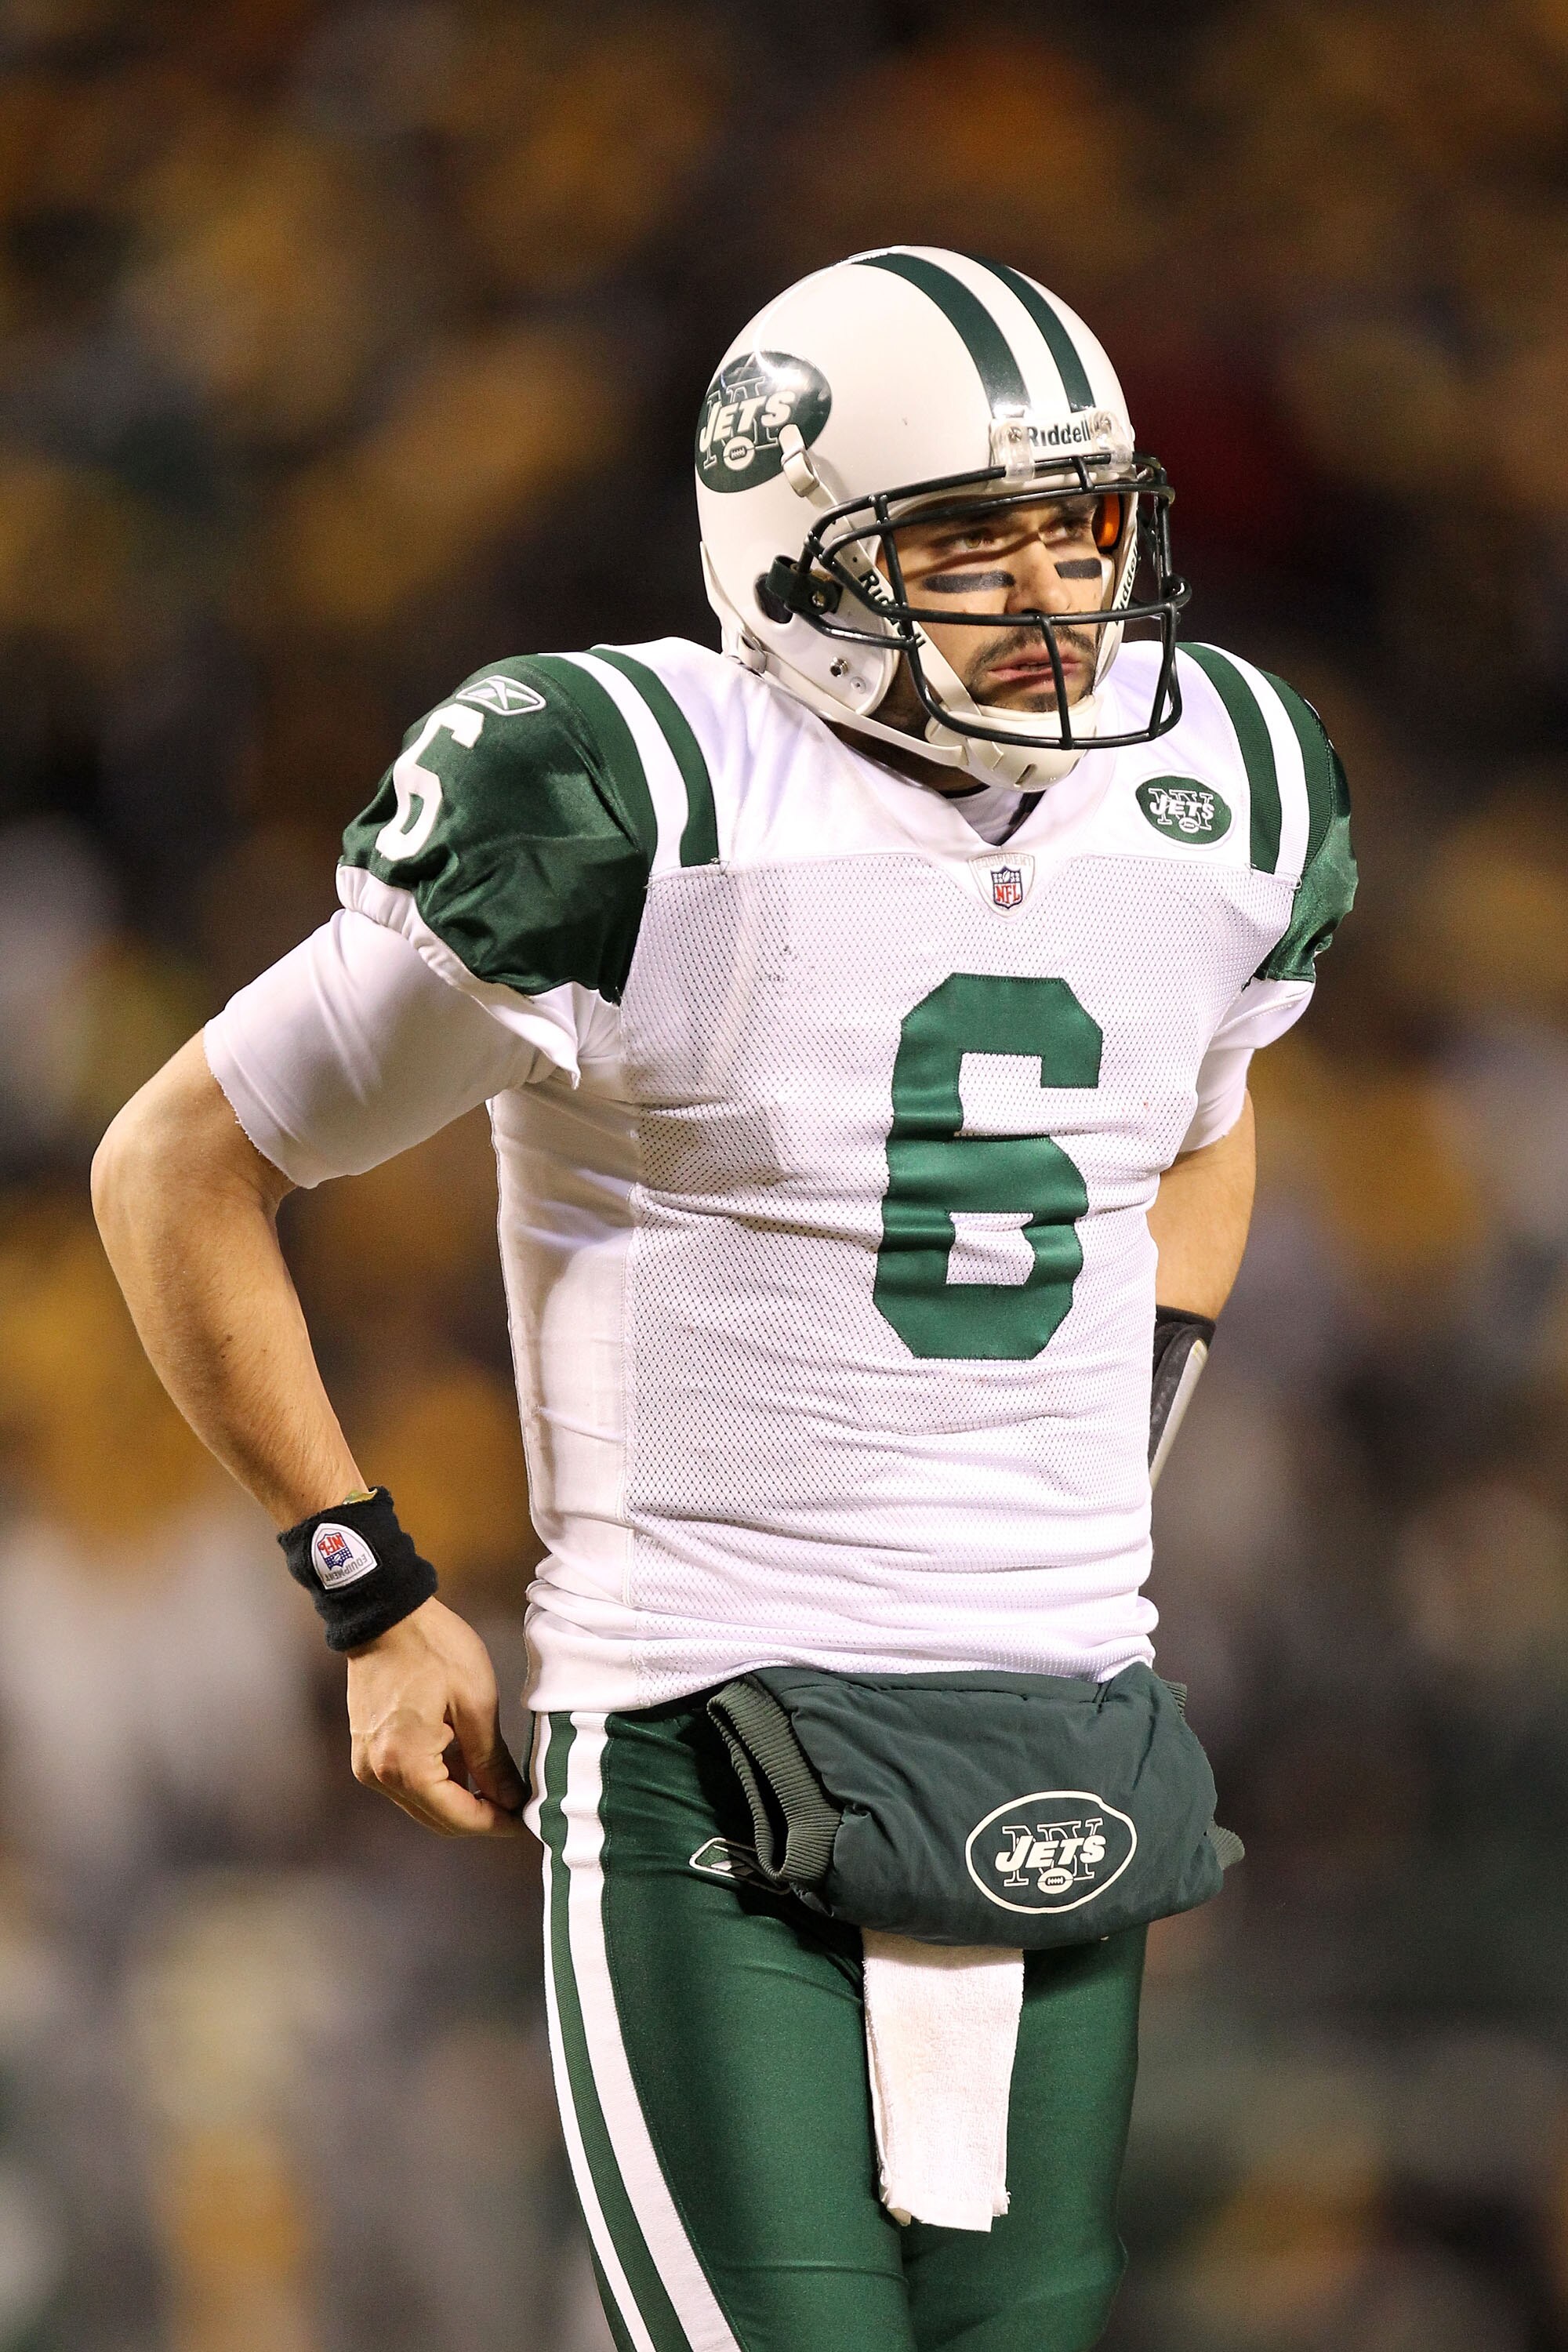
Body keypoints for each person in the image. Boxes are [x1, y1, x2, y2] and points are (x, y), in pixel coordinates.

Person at [93, 247, 1355, 2351]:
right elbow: (178, 1167)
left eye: (1082, 528)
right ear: (794, 556)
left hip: (1064, 1719)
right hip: (706, 1726)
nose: (1052, 598)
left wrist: (1123, 1409)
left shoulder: (1233, 774)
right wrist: (369, 1588)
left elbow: (1207, 1112)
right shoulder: (632, 792)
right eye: (970, 539)